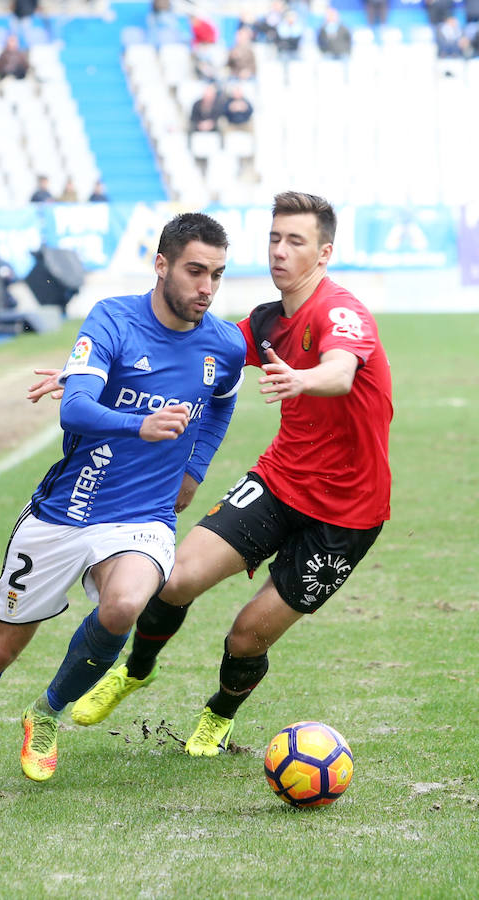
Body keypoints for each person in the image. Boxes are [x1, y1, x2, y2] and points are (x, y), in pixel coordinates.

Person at [0, 212, 246, 783]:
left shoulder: (223, 344)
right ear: (162, 264)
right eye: (196, 271)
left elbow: (221, 400)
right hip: (66, 510)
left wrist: (194, 468)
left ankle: (46, 714)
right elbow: (74, 409)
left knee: (124, 604)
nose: (206, 288)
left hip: (142, 517)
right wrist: (137, 424)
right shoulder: (113, 319)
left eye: (217, 275)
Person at [59, 191, 392, 758]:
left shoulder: (342, 312)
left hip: (347, 514)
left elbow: (340, 369)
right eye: (274, 238)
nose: (280, 251)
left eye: (296, 241)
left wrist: (305, 379)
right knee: (176, 578)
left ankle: (219, 714)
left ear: (325, 253)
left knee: (246, 635)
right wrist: (87, 371)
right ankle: (136, 670)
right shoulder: (264, 322)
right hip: (281, 480)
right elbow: (191, 350)